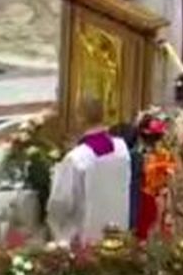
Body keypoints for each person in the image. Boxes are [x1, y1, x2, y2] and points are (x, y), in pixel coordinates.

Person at [45, 98, 131, 245]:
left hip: (85, 239)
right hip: (117, 233)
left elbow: (60, 203)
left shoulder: (77, 158)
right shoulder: (121, 148)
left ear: (80, 118)